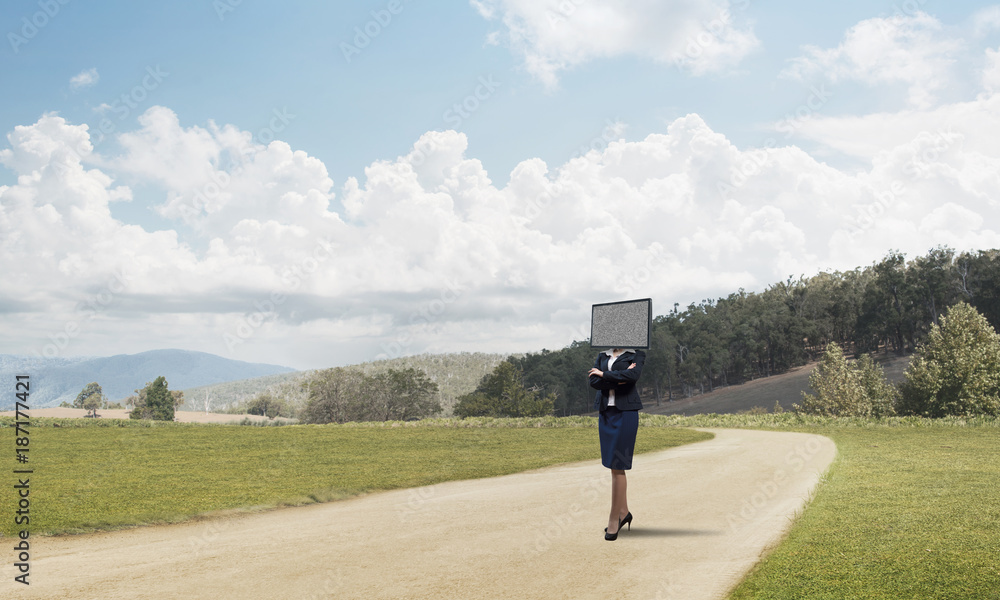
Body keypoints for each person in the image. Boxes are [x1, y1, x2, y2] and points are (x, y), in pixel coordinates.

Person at [588, 347, 645, 541]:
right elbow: (593, 382)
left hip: (626, 413)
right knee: (612, 466)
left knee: (618, 465)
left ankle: (614, 519)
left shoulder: (636, 354)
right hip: (606, 413)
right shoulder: (602, 355)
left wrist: (604, 374)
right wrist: (619, 378)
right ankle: (624, 513)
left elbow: (632, 377)